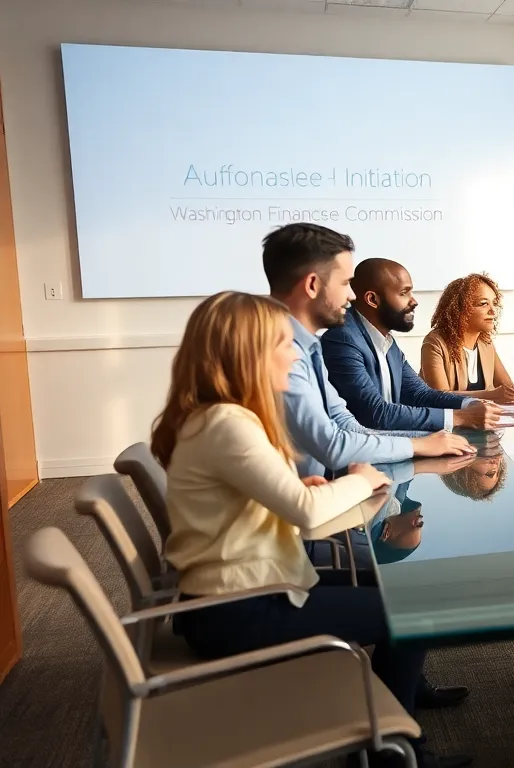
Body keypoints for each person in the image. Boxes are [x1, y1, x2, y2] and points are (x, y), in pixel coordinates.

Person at [149, 291, 471, 768]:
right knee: (412, 609)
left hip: (234, 592)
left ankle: (397, 708)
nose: (293, 354)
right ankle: (397, 756)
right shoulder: (228, 424)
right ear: (248, 354)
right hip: (237, 609)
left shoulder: (215, 416)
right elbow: (305, 512)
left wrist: (300, 486)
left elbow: (261, 502)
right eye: (282, 344)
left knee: (398, 589)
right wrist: (357, 481)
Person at [263, 222, 476, 486]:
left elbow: (349, 426)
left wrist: (427, 441)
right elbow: (334, 446)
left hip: (316, 498)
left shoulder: (308, 347)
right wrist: (419, 445)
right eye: (344, 283)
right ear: (312, 285)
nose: (352, 295)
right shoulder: (277, 353)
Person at [322, 258, 502, 432]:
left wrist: (470, 404)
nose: (414, 301)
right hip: (362, 458)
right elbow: (375, 414)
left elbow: (421, 394)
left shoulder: (387, 343)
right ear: (372, 300)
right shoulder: (343, 339)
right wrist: (460, 417)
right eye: (404, 293)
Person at [421, 273, 514, 404]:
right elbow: (439, 397)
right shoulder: (435, 342)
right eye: (483, 304)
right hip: (446, 423)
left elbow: (508, 388)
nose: (493, 311)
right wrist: (490, 396)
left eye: (494, 303)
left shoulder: (485, 343)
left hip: (482, 421)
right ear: (460, 309)